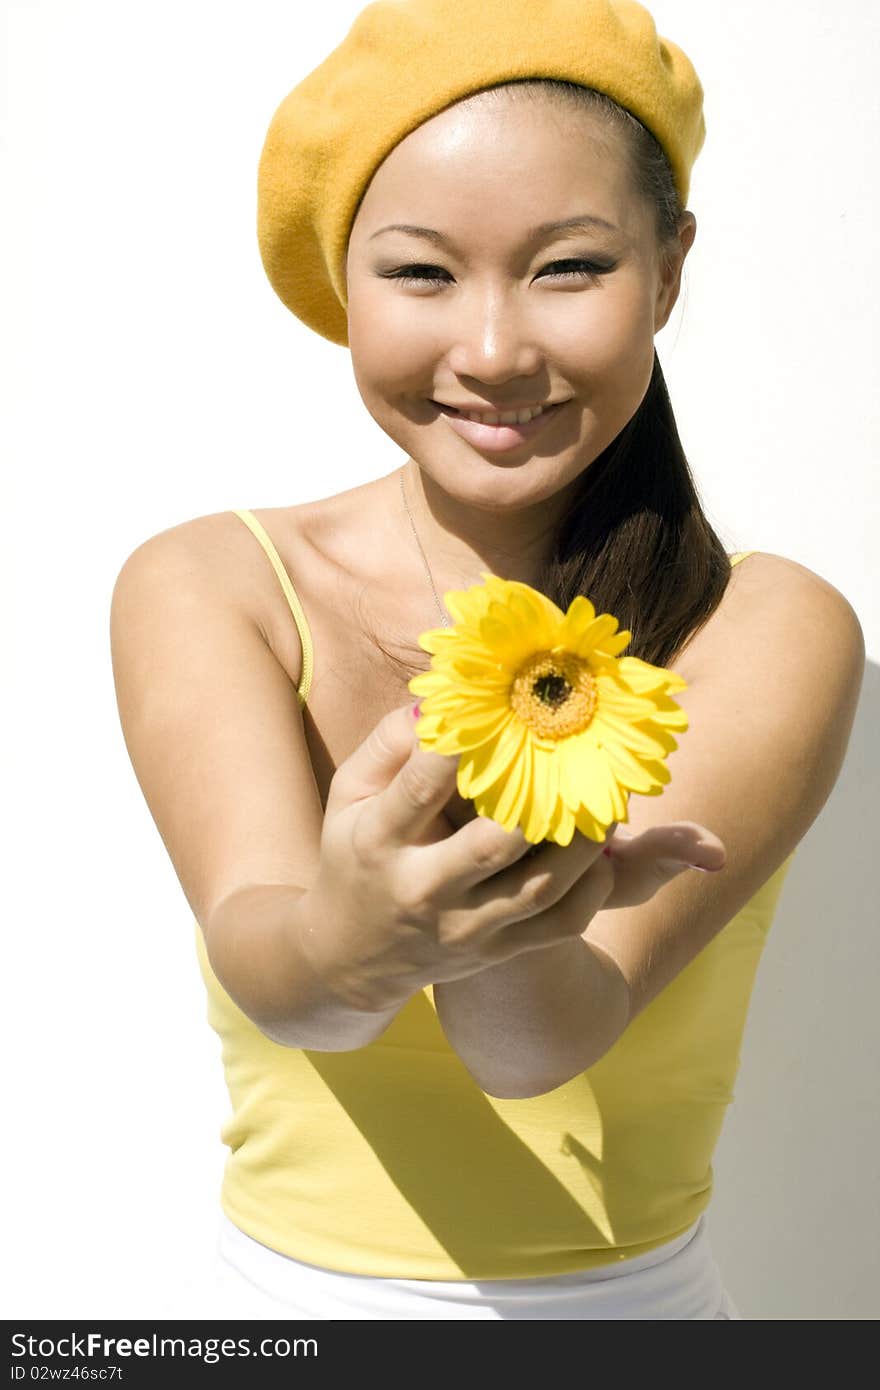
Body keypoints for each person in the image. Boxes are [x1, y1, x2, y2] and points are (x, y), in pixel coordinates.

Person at [110, 0, 865, 1320]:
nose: (495, 349)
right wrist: (350, 937)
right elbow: (291, 986)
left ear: (670, 268)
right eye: (419, 273)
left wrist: (492, 906)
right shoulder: (213, 586)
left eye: (569, 267)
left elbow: (540, 1044)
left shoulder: (771, 628)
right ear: (345, 281)